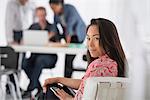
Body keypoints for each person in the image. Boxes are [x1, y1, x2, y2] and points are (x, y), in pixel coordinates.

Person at [42, 18, 128, 100]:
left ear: (108, 39)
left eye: (96, 38)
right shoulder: (114, 63)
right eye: (88, 38)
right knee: (57, 86)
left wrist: (68, 98)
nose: (90, 44)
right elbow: (86, 84)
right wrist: (59, 79)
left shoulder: (98, 65)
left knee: (50, 90)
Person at [22, 7, 58, 98]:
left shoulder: (52, 27)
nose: (41, 17)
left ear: (46, 15)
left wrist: (50, 39)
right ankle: (37, 87)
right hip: (35, 56)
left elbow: (60, 42)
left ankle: (30, 89)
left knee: (40, 60)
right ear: (36, 15)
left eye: (43, 15)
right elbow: (25, 40)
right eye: (39, 15)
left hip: (49, 57)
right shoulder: (33, 27)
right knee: (24, 63)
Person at [49, 0, 86, 77]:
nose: (53, 10)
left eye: (54, 8)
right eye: (51, 8)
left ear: (60, 5)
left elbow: (69, 28)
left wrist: (67, 44)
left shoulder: (70, 9)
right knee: (54, 39)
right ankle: (67, 79)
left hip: (77, 35)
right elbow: (55, 28)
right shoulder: (55, 14)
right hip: (66, 34)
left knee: (68, 58)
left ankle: (67, 80)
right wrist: (54, 39)